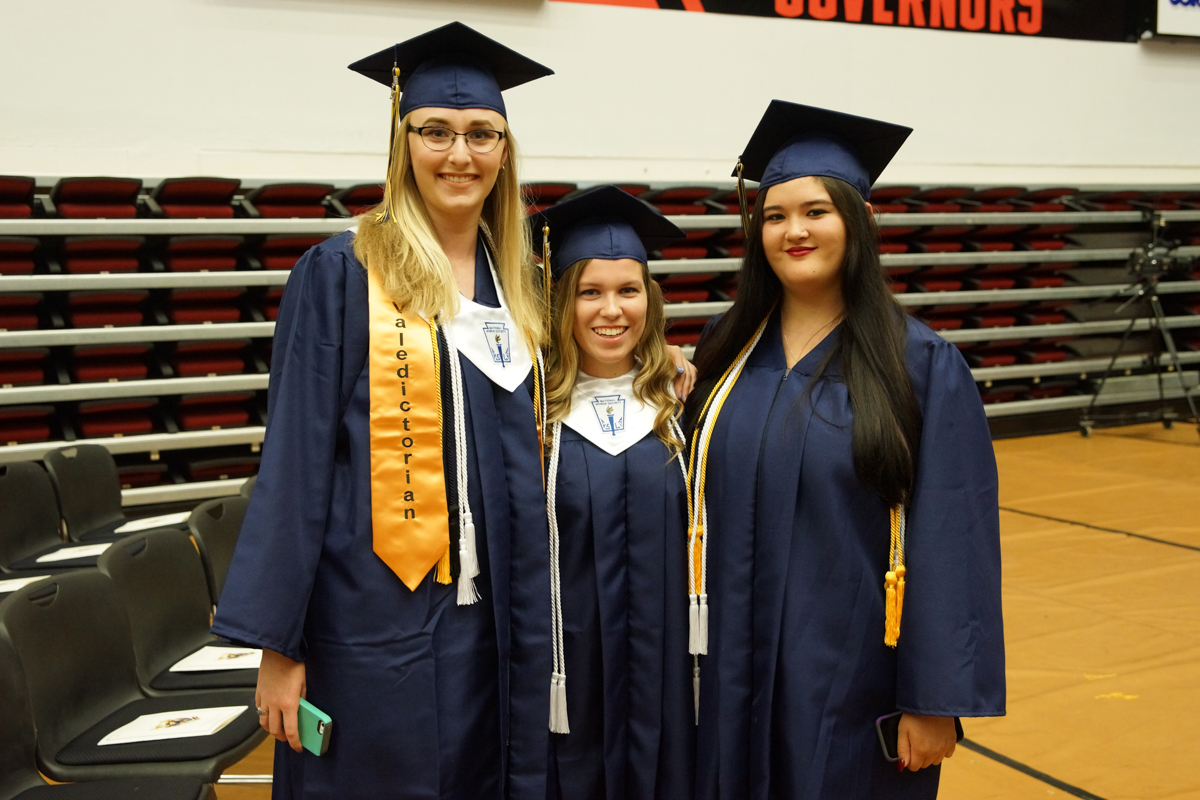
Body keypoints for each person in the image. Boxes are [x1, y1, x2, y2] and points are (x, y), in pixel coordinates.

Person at [211, 23, 556, 799]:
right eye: (436, 131)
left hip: (497, 614)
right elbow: (295, 463)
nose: (459, 154)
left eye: (481, 134)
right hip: (372, 618)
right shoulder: (341, 273)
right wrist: (279, 645)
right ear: (404, 144)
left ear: (506, 152)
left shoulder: (518, 286)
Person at [683, 101, 1006, 800]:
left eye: (816, 211)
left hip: (849, 680)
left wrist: (935, 699)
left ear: (860, 221)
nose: (793, 230)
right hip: (724, 670)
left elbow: (955, 536)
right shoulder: (723, 350)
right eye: (774, 216)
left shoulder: (921, 366)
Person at [534, 186, 696, 800]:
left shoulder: (684, 406)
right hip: (565, 664)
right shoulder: (530, 411)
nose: (611, 310)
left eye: (628, 290)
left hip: (667, 665)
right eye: (589, 292)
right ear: (561, 302)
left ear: (649, 299)